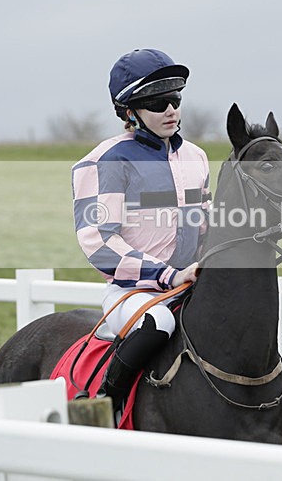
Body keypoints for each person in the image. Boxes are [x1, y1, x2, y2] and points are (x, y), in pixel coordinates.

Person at [71, 49, 210, 420]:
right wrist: (166, 275)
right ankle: (103, 407)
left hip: (191, 285)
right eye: (156, 102)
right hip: (133, 294)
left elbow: (206, 225)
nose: (171, 110)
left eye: (175, 98)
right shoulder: (106, 161)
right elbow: (99, 243)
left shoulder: (196, 158)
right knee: (159, 323)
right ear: (130, 111)